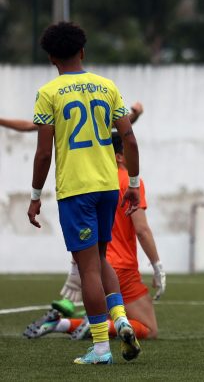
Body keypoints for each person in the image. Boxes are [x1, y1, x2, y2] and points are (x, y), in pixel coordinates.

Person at [27, 21, 142, 365]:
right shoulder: (107, 86)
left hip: (76, 190)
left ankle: (101, 349)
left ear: (51, 58)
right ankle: (120, 318)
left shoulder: (48, 93)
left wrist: (35, 196)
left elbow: (44, 152)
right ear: (83, 51)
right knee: (101, 258)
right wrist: (133, 184)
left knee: (87, 267)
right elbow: (130, 138)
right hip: (109, 185)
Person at [24, 132, 166, 341]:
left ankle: (61, 323)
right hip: (122, 268)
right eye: (129, 152)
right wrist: (157, 266)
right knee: (148, 328)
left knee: (107, 315)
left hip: (94, 264)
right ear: (118, 156)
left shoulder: (97, 181)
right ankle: (95, 327)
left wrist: (75, 268)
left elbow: (86, 227)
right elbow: (142, 229)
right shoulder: (129, 181)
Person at [0, 102, 144, 133]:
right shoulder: (66, 116)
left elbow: (125, 122)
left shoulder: (93, 115)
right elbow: (29, 125)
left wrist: (136, 114)